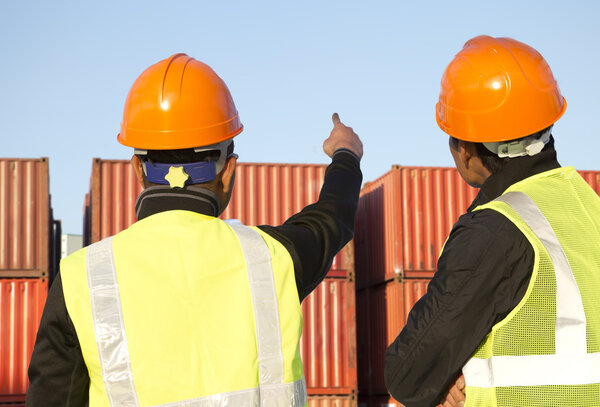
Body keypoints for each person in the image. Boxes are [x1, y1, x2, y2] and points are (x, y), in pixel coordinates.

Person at [26, 53, 363, 406]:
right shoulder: (272, 259)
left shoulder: (83, 279)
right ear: (229, 171)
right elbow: (332, 216)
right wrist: (346, 153)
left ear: (137, 171)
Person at [384, 35, 600, 407]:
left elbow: (409, 374)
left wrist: (448, 373)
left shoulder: (496, 229)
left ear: (465, 148)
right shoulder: (588, 207)